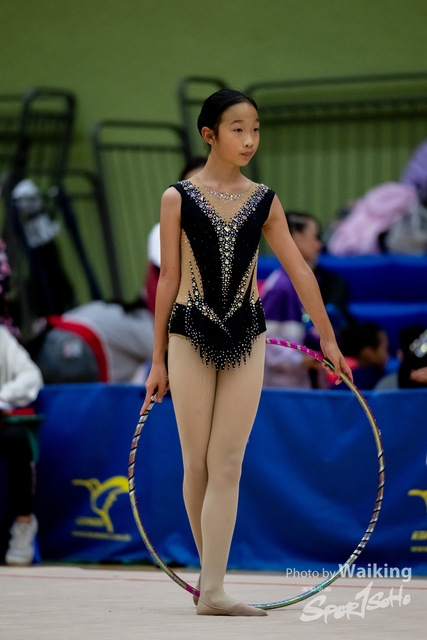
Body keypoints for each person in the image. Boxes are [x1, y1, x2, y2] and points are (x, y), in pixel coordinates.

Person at [140, 89, 351, 617]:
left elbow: (300, 271)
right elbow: (168, 280)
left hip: (247, 336)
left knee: (228, 460)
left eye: (255, 128)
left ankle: (212, 589)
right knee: (197, 461)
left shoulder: (265, 200)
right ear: (209, 134)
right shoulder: (177, 198)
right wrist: (158, 359)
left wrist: (327, 338)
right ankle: (210, 583)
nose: (250, 139)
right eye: (238, 128)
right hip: (189, 333)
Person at [262, 211, 350, 388]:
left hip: (303, 383)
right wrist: (301, 359)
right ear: (296, 238)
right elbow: (266, 342)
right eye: (315, 237)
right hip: (282, 389)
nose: (319, 245)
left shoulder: (312, 282)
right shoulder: (279, 287)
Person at [0, 325, 44, 565]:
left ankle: (24, 522)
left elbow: (31, 375)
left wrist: (4, 396)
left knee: (17, 439)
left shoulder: (2, 337)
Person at [336, 322, 389, 390]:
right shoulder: (385, 383)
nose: (388, 355)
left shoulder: (342, 380)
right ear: (369, 353)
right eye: (385, 348)